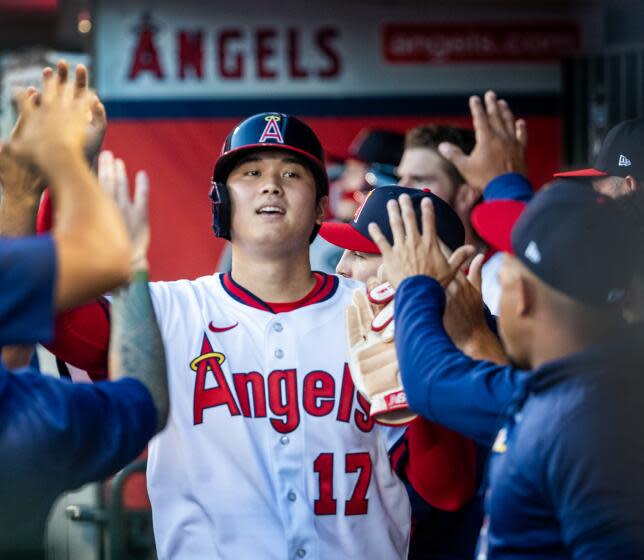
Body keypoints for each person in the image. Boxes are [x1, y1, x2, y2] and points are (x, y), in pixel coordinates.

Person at [33, 96, 476, 558]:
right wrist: (65, 177)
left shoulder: (381, 313)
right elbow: (56, 314)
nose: (271, 186)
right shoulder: (164, 311)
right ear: (221, 201)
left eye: (291, 174)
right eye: (250, 174)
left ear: (322, 207)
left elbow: (448, 487)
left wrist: (425, 359)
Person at [368, 182, 644, 558]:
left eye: (505, 276)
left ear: (523, 296)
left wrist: (416, 287)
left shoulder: (579, 419)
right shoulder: (590, 386)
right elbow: (439, 382)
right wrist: (470, 330)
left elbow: (427, 382)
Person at [0, 62, 168, 556]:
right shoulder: (30, 420)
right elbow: (102, 257)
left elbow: (13, 346)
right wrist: (63, 160)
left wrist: (22, 192)